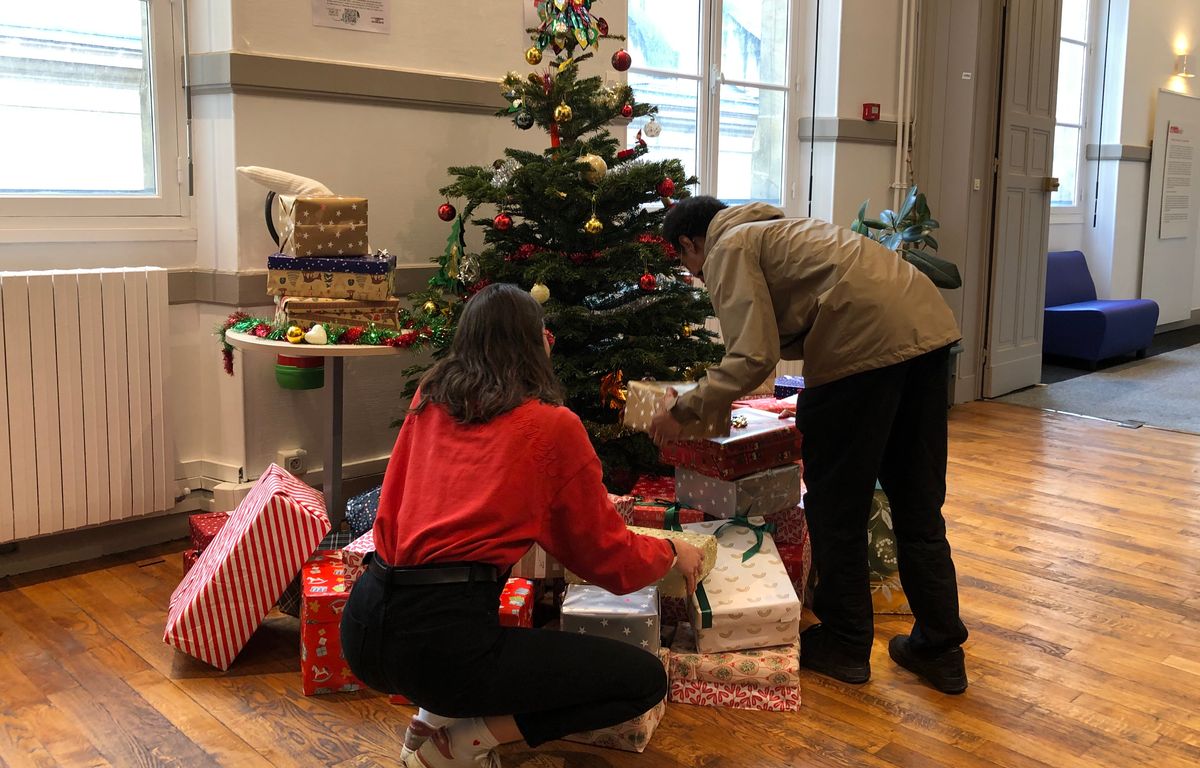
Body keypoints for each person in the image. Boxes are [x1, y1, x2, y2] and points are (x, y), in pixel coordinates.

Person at [341, 283, 706, 768]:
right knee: (643, 680)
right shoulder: (552, 426)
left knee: (468, 640)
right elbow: (606, 556)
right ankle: (464, 744)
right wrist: (672, 553)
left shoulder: (429, 397)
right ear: (539, 343)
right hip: (441, 647)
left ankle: (431, 721)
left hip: (363, 626)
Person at [651, 196, 969, 694]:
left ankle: (845, 643)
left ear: (692, 242)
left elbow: (753, 356)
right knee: (918, 501)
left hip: (862, 346)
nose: (693, 275)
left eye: (685, 262)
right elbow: (781, 334)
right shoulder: (779, 230)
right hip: (926, 330)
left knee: (836, 503)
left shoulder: (728, 246)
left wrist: (683, 410)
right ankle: (941, 648)